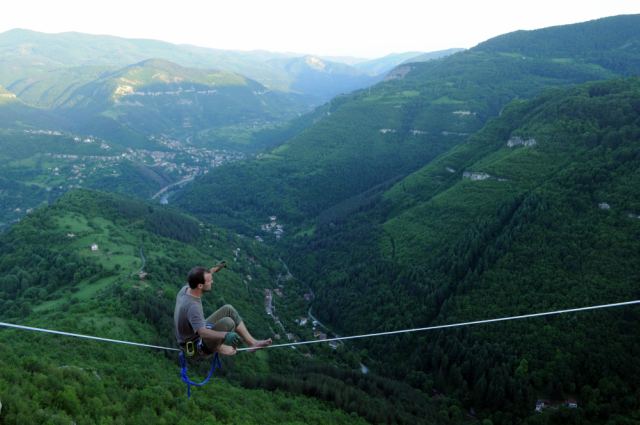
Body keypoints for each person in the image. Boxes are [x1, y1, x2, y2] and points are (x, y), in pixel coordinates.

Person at [174, 261, 272, 360]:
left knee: (228, 309)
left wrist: (216, 268)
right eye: (209, 281)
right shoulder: (193, 306)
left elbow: (201, 277)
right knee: (228, 323)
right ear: (200, 286)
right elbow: (203, 333)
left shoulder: (187, 288)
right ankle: (218, 348)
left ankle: (252, 343)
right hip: (196, 349)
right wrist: (226, 335)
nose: (212, 281)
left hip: (194, 337)